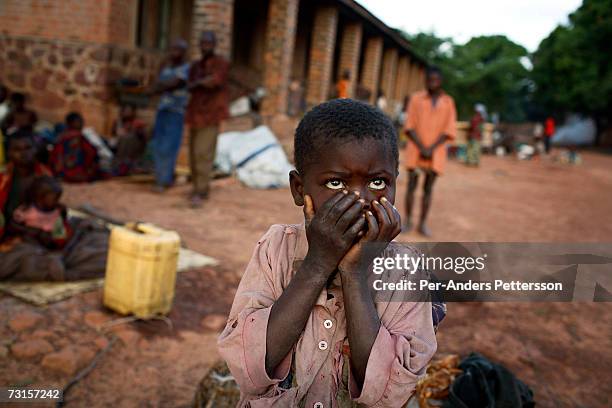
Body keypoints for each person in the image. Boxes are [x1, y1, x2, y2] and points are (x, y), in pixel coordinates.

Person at [218, 99, 437, 406]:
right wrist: (318, 263)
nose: (360, 200)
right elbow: (249, 368)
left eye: (378, 182)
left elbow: (390, 394)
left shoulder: (405, 270)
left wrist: (354, 273)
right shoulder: (276, 248)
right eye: (335, 183)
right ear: (298, 189)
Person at [0, 131, 108, 281]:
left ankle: (54, 264)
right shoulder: (3, 179)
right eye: (17, 150)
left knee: (100, 244)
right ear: (8, 153)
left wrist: (50, 233)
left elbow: (53, 214)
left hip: (41, 233)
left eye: (28, 148)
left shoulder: (45, 178)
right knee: (21, 259)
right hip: (12, 234)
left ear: (36, 149)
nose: (23, 154)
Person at [403, 67, 457, 236]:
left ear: (441, 81)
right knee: (411, 187)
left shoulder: (448, 102)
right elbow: (409, 126)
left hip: (436, 153)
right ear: (425, 81)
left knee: (428, 189)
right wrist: (422, 147)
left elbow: (449, 129)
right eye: (429, 79)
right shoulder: (415, 99)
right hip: (415, 150)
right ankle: (408, 221)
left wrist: (431, 149)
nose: (432, 82)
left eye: (436, 79)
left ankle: (422, 223)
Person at [186, 31, 230, 207]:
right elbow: (190, 84)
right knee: (193, 154)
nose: (205, 46)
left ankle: (201, 191)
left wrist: (197, 83)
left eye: (208, 43)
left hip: (210, 115)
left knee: (203, 153)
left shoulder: (221, 63)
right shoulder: (196, 65)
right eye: (202, 43)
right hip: (195, 114)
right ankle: (196, 187)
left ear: (214, 44)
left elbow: (214, 81)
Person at [151, 39, 190, 192]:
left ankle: (163, 181)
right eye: (172, 49)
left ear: (183, 53)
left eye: (177, 50)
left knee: (169, 146)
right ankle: (162, 177)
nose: (174, 53)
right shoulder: (166, 67)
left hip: (176, 111)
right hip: (163, 109)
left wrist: (159, 87)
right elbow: (157, 82)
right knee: (158, 144)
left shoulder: (186, 68)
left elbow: (174, 84)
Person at [9, 175, 72, 250]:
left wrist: (63, 213)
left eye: (58, 198)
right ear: (40, 198)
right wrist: (32, 231)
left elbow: (62, 222)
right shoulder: (27, 210)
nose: (57, 201)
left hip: (53, 236)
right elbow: (13, 224)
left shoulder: (57, 208)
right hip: (34, 237)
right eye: (54, 199)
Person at [50, 112, 99, 183]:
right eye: (79, 121)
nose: (82, 124)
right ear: (70, 123)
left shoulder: (61, 137)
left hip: (61, 173)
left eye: (82, 121)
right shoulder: (79, 137)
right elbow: (91, 153)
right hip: (78, 173)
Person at [111, 104, 148, 176]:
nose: (127, 113)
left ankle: (129, 164)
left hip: (132, 149)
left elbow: (142, 139)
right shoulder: (117, 122)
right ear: (122, 112)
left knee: (129, 138)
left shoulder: (137, 123)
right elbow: (113, 135)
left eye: (129, 111)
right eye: (126, 111)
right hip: (119, 148)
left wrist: (137, 130)